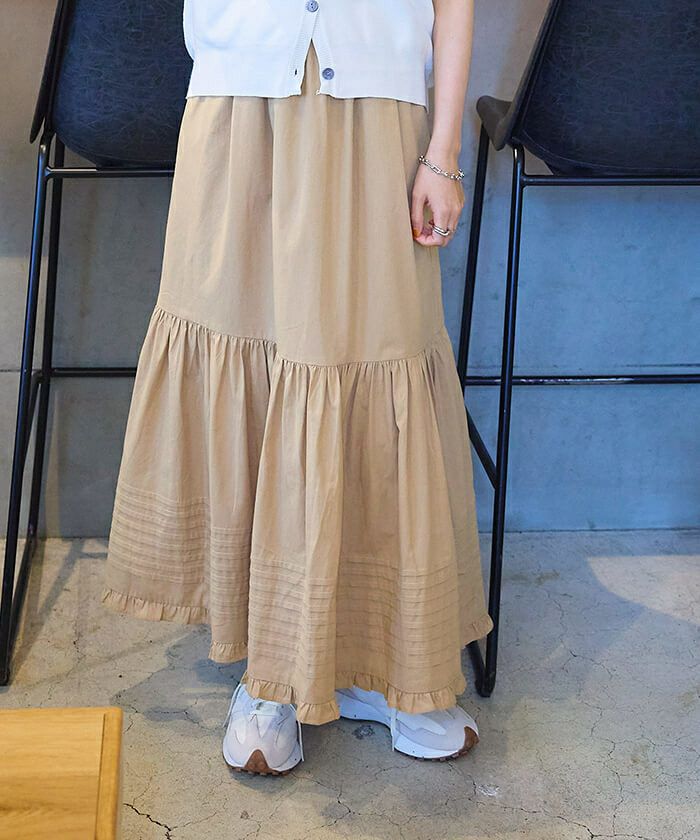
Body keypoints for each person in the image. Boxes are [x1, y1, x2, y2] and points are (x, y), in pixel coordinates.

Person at [101, 0, 494, 776]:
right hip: (240, 106)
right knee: (252, 359)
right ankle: (269, 672)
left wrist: (443, 152)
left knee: (380, 358)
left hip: (379, 110)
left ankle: (386, 665)